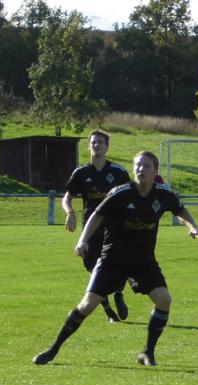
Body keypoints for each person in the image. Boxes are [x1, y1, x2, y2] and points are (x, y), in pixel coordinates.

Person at [33, 151, 198, 367]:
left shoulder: (163, 194)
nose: (141, 169)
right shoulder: (121, 193)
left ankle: (147, 353)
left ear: (155, 171)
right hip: (112, 259)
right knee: (87, 305)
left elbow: (181, 210)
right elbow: (97, 215)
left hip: (143, 261)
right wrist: (82, 240)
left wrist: (193, 227)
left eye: (146, 166)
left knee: (164, 300)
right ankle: (53, 350)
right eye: (138, 165)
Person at [63, 129, 131, 322]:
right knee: (94, 270)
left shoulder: (118, 172)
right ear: (89, 146)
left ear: (107, 147)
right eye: (93, 142)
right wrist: (70, 213)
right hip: (91, 229)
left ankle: (118, 293)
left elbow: (130, 196)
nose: (96, 145)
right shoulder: (81, 173)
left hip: (114, 228)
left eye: (100, 142)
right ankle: (109, 310)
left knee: (118, 264)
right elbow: (67, 197)